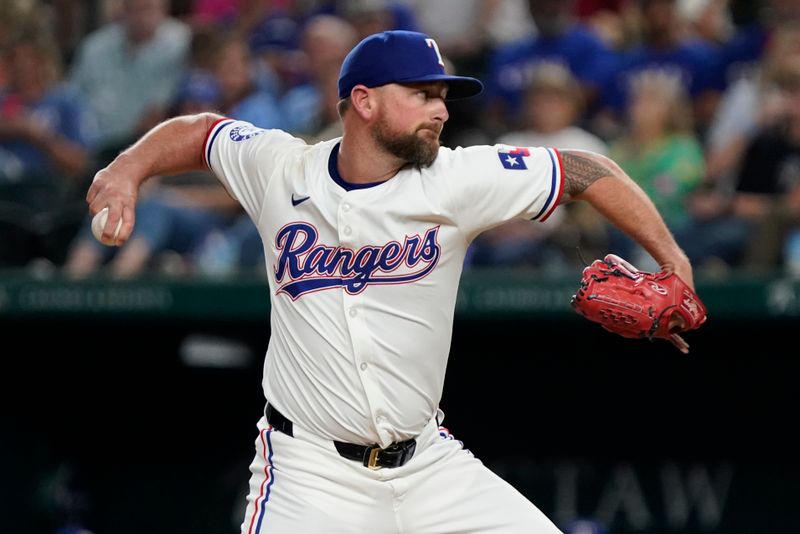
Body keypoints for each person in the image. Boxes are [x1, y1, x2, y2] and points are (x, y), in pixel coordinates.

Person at [86, 30, 697, 533]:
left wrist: (673, 259)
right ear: (365, 101)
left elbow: (588, 169)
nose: (440, 108)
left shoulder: (459, 178)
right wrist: (124, 170)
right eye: (423, 93)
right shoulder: (280, 168)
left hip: (430, 466)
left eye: (443, 96)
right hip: (310, 474)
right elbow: (202, 132)